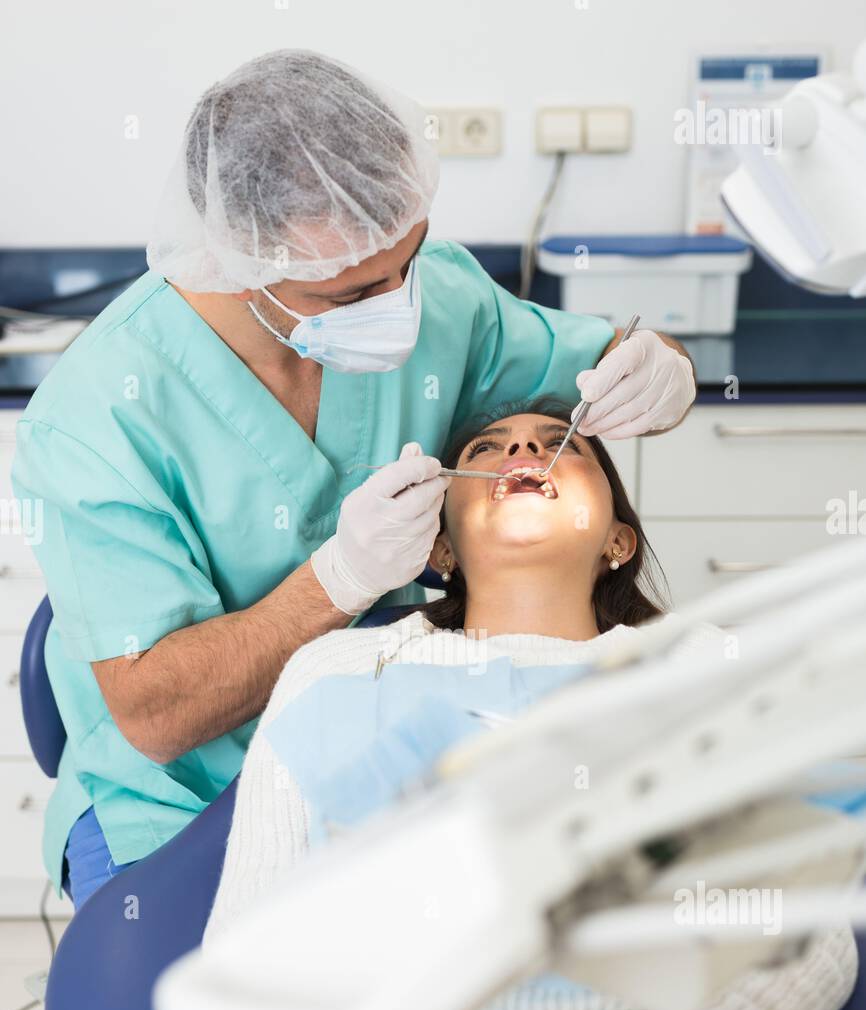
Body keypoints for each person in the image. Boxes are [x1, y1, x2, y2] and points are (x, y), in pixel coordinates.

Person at [203, 400, 857, 1010]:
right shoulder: (339, 676)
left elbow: (803, 929)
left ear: (619, 542)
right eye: (491, 448)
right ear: (439, 545)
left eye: (564, 447)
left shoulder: (710, 674)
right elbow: (251, 943)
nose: (523, 451)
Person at [12, 49, 695, 910]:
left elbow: (605, 362)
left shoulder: (436, 292)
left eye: (409, 255)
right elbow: (157, 717)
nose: (403, 301)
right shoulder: (99, 416)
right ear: (242, 261)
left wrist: (665, 368)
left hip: (404, 766)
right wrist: (342, 580)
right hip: (182, 803)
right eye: (354, 291)